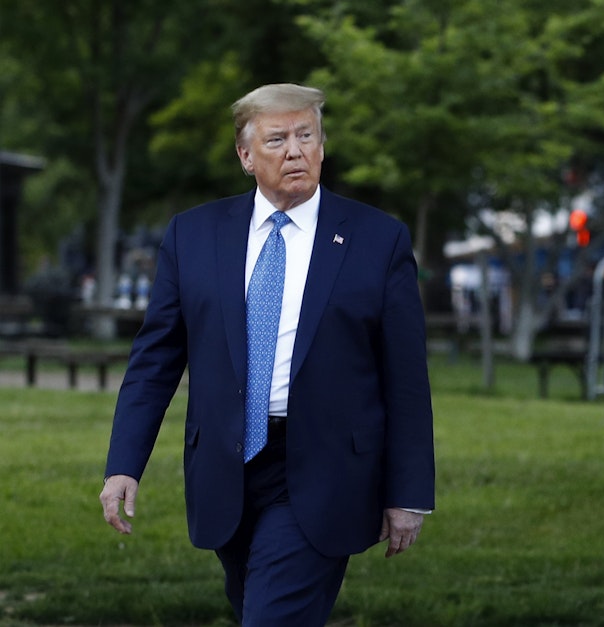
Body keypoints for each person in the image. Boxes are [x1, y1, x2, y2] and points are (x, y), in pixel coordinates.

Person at [97, 83, 435, 625]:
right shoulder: (194, 234)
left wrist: (410, 492)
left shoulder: (378, 239)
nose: (295, 150)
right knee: (256, 606)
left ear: (323, 147)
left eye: (307, 136)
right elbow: (154, 362)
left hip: (325, 470)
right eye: (277, 139)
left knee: (272, 616)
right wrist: (123, 466)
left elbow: (406, 380)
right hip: (225, 468)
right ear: (246, 156)